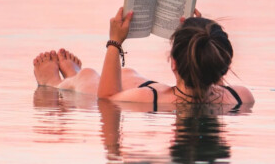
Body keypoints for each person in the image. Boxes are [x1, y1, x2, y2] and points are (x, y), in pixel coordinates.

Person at [33, 7, 254, 108]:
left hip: (153, 93)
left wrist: (115, 42)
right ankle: (73, 75)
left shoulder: (148, 100)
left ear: (173, 62)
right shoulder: (241, 97)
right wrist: (198, 36)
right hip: (151, 87)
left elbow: (107, 97)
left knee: (90, 78)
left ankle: (56, 82)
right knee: (129, 74)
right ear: (223, 65)